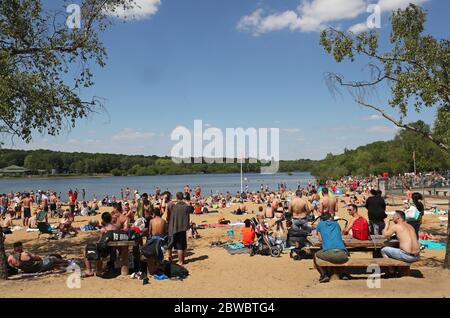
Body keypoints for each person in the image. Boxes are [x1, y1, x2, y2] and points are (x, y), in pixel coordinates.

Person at [314, 213, 349, 283]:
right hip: (343, 254)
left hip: (329, 252)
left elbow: (320, 239)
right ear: (330, 218)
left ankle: (324, 274)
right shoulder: (336, 224)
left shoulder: (320, 224)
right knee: (347, 253)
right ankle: (343, 273)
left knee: (315, 255)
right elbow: (339, 233)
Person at [167, 192, 190, 265]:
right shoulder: (186, 206)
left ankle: (180, 261)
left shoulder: (174, 207)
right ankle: (183, 260)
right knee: (183, 245)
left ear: (177, 197)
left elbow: (169, 214)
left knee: (179, 246)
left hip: (176, 227)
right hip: (184, 227)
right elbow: (188, 217)